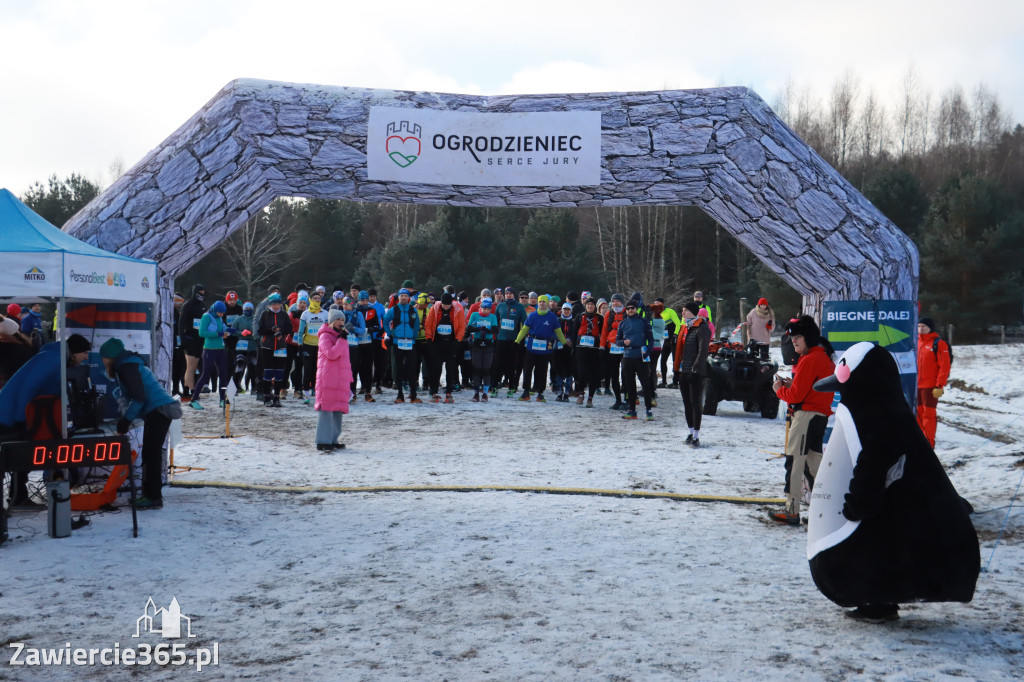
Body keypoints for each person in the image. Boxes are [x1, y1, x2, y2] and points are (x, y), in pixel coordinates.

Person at [0, 333, 93, 509]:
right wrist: (20, 418)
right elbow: (29, 386)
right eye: (85, 353)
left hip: (19, 412)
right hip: (9, 414)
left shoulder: (57, 357)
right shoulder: (54, 357)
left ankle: (18, 497)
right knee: (21, 454)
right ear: (75, 352)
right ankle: (18, 498)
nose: (86, 357)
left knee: (25, 453)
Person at [767, 315, 836, 525]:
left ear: (808, 337)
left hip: (805, 417)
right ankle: (827, 511)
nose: (793, 340)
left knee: (794, 462)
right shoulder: (822, 357)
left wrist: (779, 390)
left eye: (798, 337)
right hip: (818, 417)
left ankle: (792, 510)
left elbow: (796, 397)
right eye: (792, 337)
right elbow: (809, 389)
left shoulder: (810, 359)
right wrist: (793, 385)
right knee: (814, 466)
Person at [100, 338, 181, 510]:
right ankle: (150, 495)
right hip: (157, 410)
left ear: (111, 357)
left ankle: (154, 497)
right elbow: (132, 396)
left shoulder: (127, 367)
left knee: (152, 455)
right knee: (150, 454)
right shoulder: (128, 365)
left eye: (103, 357)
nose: (102, 361)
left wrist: (125, 422)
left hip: (159, 411)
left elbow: (139, 398)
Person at [515, 295, 569, 403]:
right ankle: (526, 392)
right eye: (540, 302)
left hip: (545, 347)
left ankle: (540, 393)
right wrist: (517, 341)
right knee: (527, 370)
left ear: (547, 303)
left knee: (542, 371)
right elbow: (524, 329)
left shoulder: (552, 317)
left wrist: (564, 343)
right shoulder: (532, 315)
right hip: (531, 346)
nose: (542, 303)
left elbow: (558, 331)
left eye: (544, 301)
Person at [314, 307, 352, 451]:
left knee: (337, 410)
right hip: (328, 378)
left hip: (340, 378)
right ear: (331, 321)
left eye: (342, 319)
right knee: (326, 409)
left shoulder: (341, 337)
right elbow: (331, 354)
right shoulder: (325, 336)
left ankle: (333, 439)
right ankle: (323, 441)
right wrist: (341, 340)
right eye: (338, 319)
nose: (341, 322)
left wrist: (349, 376)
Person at [674, 301, 711, 446]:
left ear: (692, 312)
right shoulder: (684, 327)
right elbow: (679, 351)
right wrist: (676, 370)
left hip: (696, 372)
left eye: (685, 310)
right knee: (686, 403)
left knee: (695, 402)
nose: (682, 313)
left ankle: (696, 435)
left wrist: (695, 369)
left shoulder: (702, 328)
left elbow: (703, 351)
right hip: (684, 370)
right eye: (682, 310)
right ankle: (690, 432)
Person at [190, 300, 233, 410]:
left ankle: (222, 399)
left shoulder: (219, 317)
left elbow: (223, 327)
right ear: (215, 310)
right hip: (209, 349)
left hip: (220, 349)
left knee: (223, 375)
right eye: (220, 313)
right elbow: (202, 333)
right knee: (205, 374)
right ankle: (194, 399)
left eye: (223, 313)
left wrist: (231, 330)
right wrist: (219, 334)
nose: (221, 315)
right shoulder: (207, 317)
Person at [617, 299, 655, 420]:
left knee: (646, 384)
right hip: (627, 357)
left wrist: (648, 351)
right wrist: (623, 342)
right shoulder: (622, 323)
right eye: (628, 308)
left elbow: (651, 339)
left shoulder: (643, 322)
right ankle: (632, 410)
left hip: (641, 356)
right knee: (630, 385)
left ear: (636, 309)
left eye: (632, 308)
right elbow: (617, 341)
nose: (630, 310)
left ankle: (649, 410)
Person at [916, 317, 951, 447]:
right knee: (917, 415)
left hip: (930, 386)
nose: (921, 329)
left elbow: (944, 366)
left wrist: (939, 385)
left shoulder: (938, 344)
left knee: (928, 415)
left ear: (930, 328)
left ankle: (928, 443)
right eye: (919, 326)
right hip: (916, 386)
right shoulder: (915, 342)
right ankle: (917, 442)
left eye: (924, 326)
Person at [425, 292, 465, 403]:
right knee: (436, 368)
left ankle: (449, 392)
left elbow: (461, 326)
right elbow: (428, 324)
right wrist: (429, 339)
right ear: (441, 303)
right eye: (444, 305)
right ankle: (434, 392)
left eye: (448, 305)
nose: (446, 307)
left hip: (451, 342)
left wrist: (458, 340)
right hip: (437, 342)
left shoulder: (458, 309)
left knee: (451, 368)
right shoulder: (434, 308)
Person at [384, 288, 421, 404]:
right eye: (401, 296)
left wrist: (414, 335)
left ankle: (413, 395)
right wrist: (390, 334)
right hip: (397, 342)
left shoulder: (412, 310)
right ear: (399, 297)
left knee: (412, 368)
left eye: (405, 296)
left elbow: (417, 323)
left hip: (410, 342)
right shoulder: (394, 310)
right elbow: (385, 322)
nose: (403, 298)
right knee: (399, 368)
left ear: (408, 298)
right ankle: (400, 395)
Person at [258, 293, 291, 407]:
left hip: (281, 346)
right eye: (274, 304)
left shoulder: (284, 314)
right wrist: (271, 330)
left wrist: (281, 332)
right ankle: (267, 397)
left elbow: (289, 328)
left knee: (279, 372)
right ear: (270, 305)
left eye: (278, 304)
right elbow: (260, 330)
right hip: (267, 346)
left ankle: (277, 398)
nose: (276, 306)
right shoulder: (265, 314)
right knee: (268, 372)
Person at [176, 284, 207, 401]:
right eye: (200, 293)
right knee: (190, 367)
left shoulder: (203, 306)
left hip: (199, 339)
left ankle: (186, 390)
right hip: (189, 339)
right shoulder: (187, 305)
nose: (202, 295)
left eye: (203, 293)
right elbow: (181, 324)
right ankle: (193, 392)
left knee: (193, 368)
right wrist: (183, 339)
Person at [466, 297, 498, 401]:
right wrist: (477, 328)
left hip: (488, 344)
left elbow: (495, 329)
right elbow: (468, 328)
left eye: (488, 309)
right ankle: (476, 393)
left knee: (487, 369)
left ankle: (485, 393)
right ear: (480, 307)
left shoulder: (493, 317)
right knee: (476, 368)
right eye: (484, 309)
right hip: (477, 344)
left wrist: (487, 330)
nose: (486, 311)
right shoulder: (474, 315)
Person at [573, 297, 603, 407]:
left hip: (594, 349)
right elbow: (574, 333)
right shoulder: (579, 317)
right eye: (588, 304)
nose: (590, 306)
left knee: (593, 374)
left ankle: (590, 398)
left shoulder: (600, 318)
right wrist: (573, 349)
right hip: (581, 348)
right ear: (585, 306)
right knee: (581, 372)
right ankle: (581, 393)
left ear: (595, 307)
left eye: (592, 304)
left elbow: (603, 333)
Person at [602, 293, 627, 409]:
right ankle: (618, 400)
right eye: (613, 301)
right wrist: (602, 346)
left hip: (625, 346)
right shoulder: (609, 314)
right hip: (611, 346)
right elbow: (604, 331)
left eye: (617, 301)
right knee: (614, 374)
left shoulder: (627, 312)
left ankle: (627, 399)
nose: (615, 303)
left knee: (626, 374)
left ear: (622, 302)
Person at [657, 298, 681, 388]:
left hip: (673, 339)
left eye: (659, 304)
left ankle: (675, 383)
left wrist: (675, 334)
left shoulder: (670, 311)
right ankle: (664, 382)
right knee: (662, 360)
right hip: (666, 340)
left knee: (675, 361)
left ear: (662, 304)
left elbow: (678, 324)